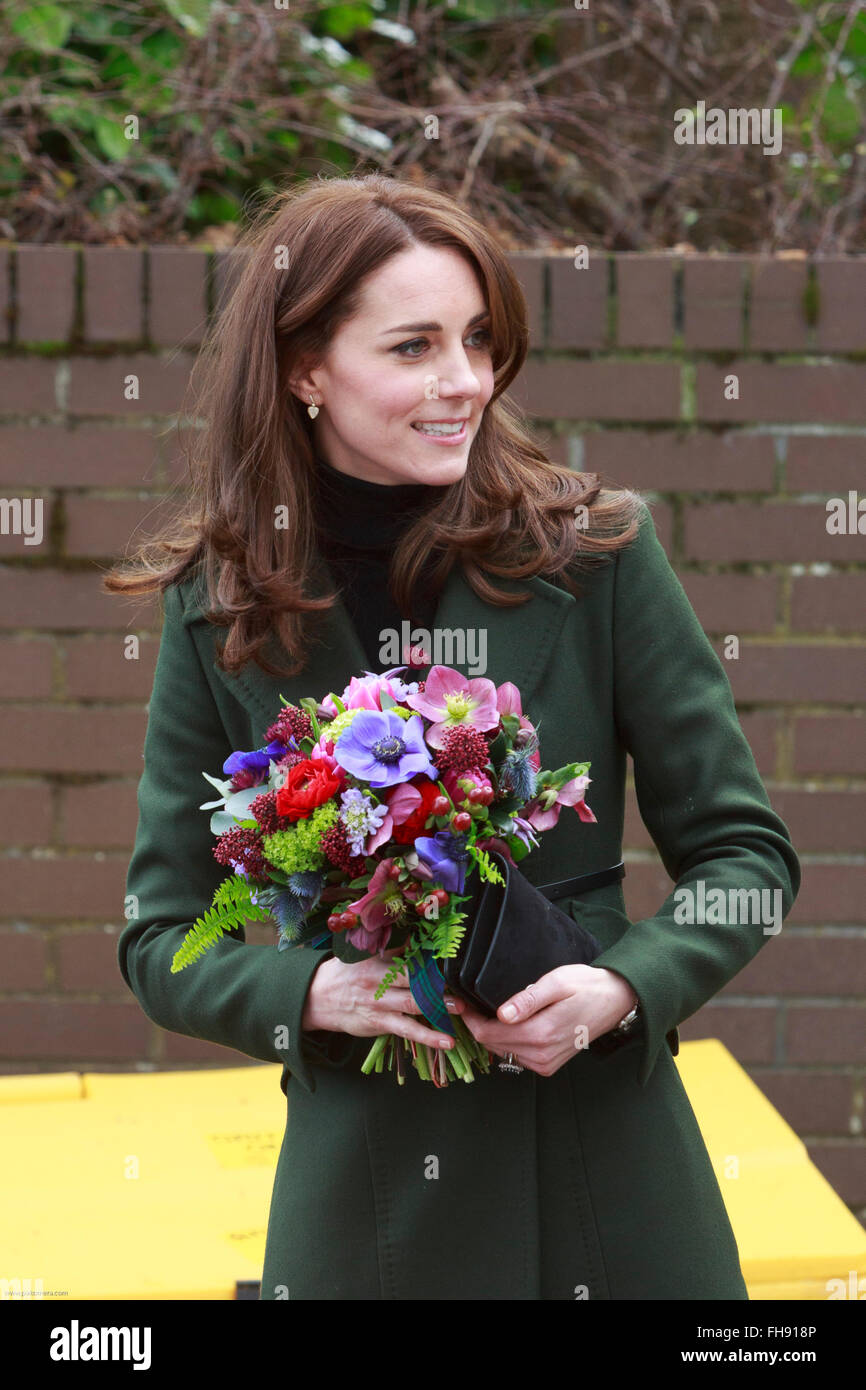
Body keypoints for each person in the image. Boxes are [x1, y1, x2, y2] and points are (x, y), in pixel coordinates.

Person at [107, 172, 800, 1300]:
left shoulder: (597, 554)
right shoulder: (215, 602)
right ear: (303, 369)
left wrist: (621, 989)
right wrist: (310, 995)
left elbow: (745, 858)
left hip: (609, 1186)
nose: (464, 382)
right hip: (369, 1211)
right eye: (414, 346)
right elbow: (161, 935)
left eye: (478, 340)